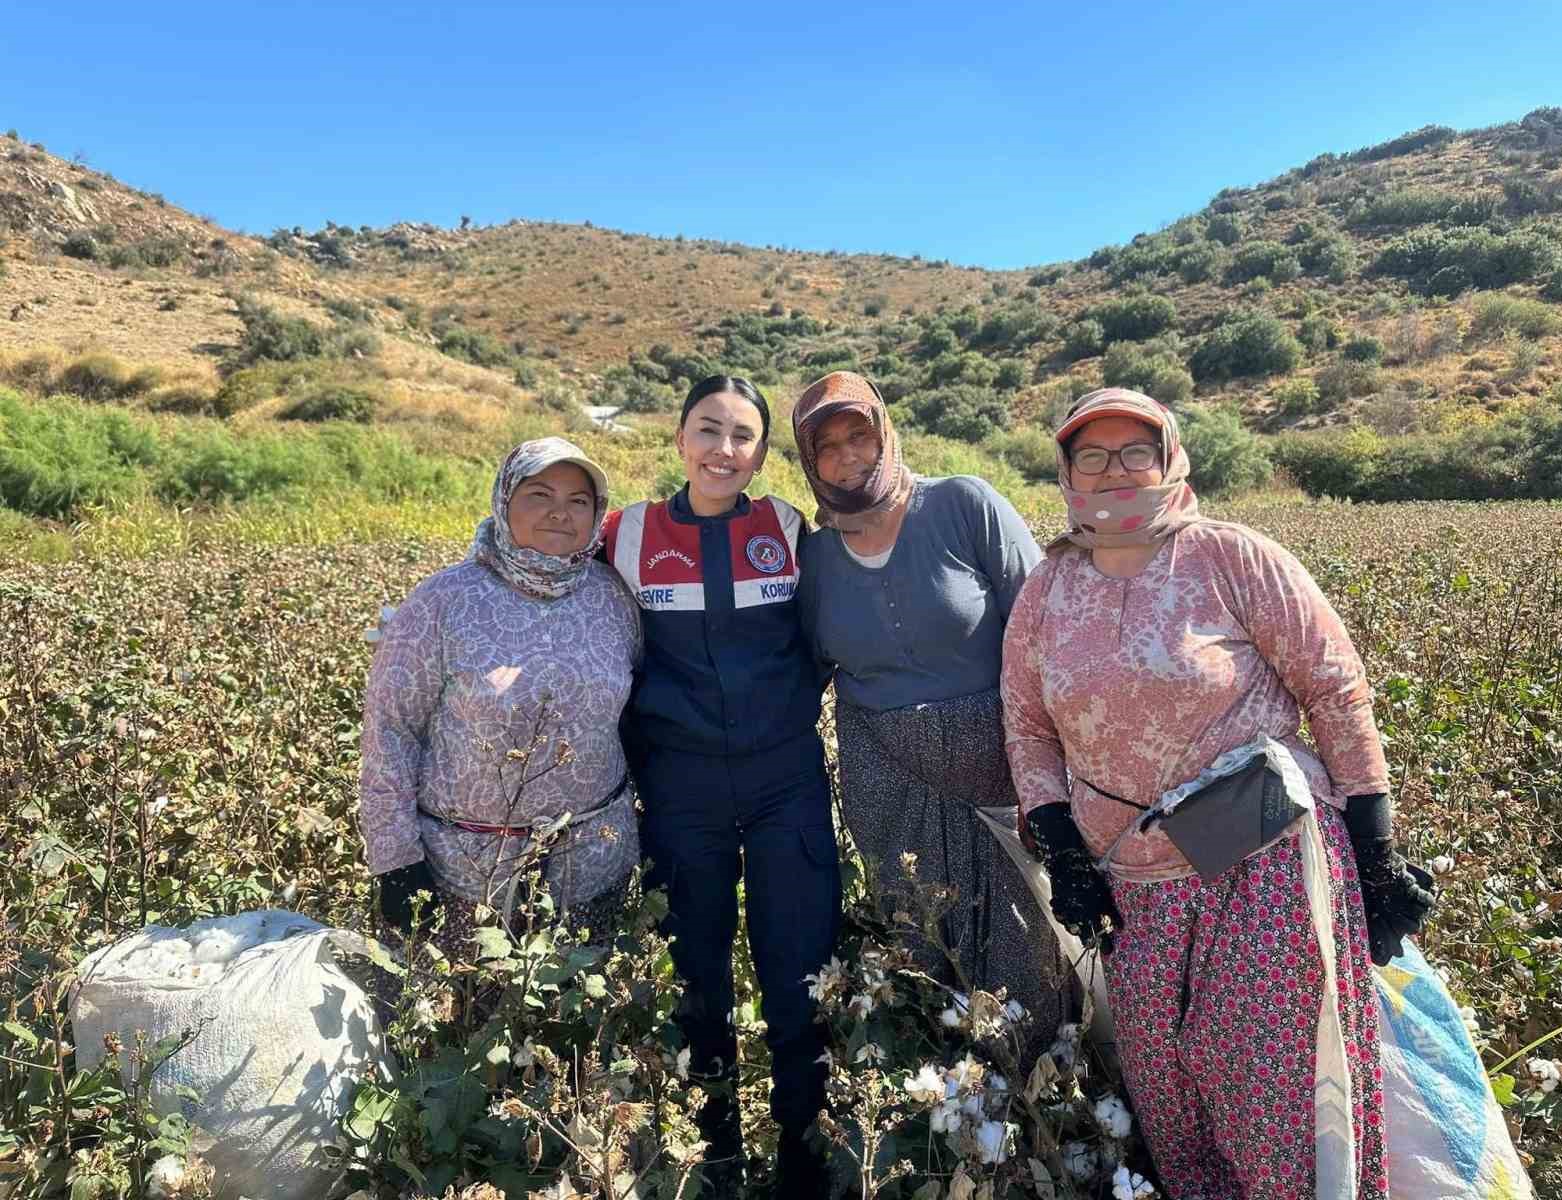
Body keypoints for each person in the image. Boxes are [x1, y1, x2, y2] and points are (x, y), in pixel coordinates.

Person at [1000, 388, 1434, 1200]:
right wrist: (1061, 848)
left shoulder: (1232, 558)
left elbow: (1336, 692)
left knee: (1267, 1090)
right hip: (1136, 884)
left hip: (1262, 860)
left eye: (1136, 452)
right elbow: (1027, 730)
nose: (1114, 471)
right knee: (1168, 1094)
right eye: (1091, 455)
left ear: (1170, 462)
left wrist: (1377, 851)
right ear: (1065, 473)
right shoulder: (1047, 591)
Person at [603, 375, 839, 1197]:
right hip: (682, 791)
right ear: (678, 438)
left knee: (799, 973)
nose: (724, 450)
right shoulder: (625, 534)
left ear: (762, 454)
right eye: (709, 430)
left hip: (786, 783)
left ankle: (807, 1162)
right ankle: (716, 1161)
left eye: (743, 436)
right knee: (696, 980)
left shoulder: (787, 526)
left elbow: (824, 635)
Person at [790, 371, 1070, 1063]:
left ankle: (1046, 1115)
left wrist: (1055, 783)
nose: (849, 454)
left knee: (1032, 955)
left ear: (885, 431)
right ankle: (945, 1119)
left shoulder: (963, 505)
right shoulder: (818, 557)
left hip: (1002, 779)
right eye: (827, 446)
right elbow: (802, 672)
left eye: (860, 433)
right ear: (809, 462)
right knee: (925, 946)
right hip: (890, 791)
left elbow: (1047, 636)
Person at [361, 436, 642, 971]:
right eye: (540, 494)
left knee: (573, 1029)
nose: (560, 513)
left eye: (578, 500)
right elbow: (391, 734)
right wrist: (396, 862)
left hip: (593, 864)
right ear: (504, 499)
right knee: (470, 1029)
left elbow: (637, 716)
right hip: (465, 874)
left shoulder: (611, 597)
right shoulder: (443, 601)